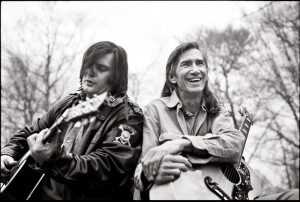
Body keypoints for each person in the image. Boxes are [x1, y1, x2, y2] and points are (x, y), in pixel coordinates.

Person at [133, 41, 299, 200]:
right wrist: (149, 175)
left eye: (200, 63)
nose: (195, 70)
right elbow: (143, 166)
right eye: (186, 64)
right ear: (172, 77)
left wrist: (181, 144)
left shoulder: (217, 110)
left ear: (206, 74)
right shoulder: (154, 110)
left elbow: (234, 144)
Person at [1, 41, 143, 200]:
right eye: (88, 65)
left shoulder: (128, 117)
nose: (90, 72)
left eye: (101, 68)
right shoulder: (70, 102)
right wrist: (7, 154)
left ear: (116, 77)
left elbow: (105, 169)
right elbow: (28, 133)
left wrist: (54, 159)